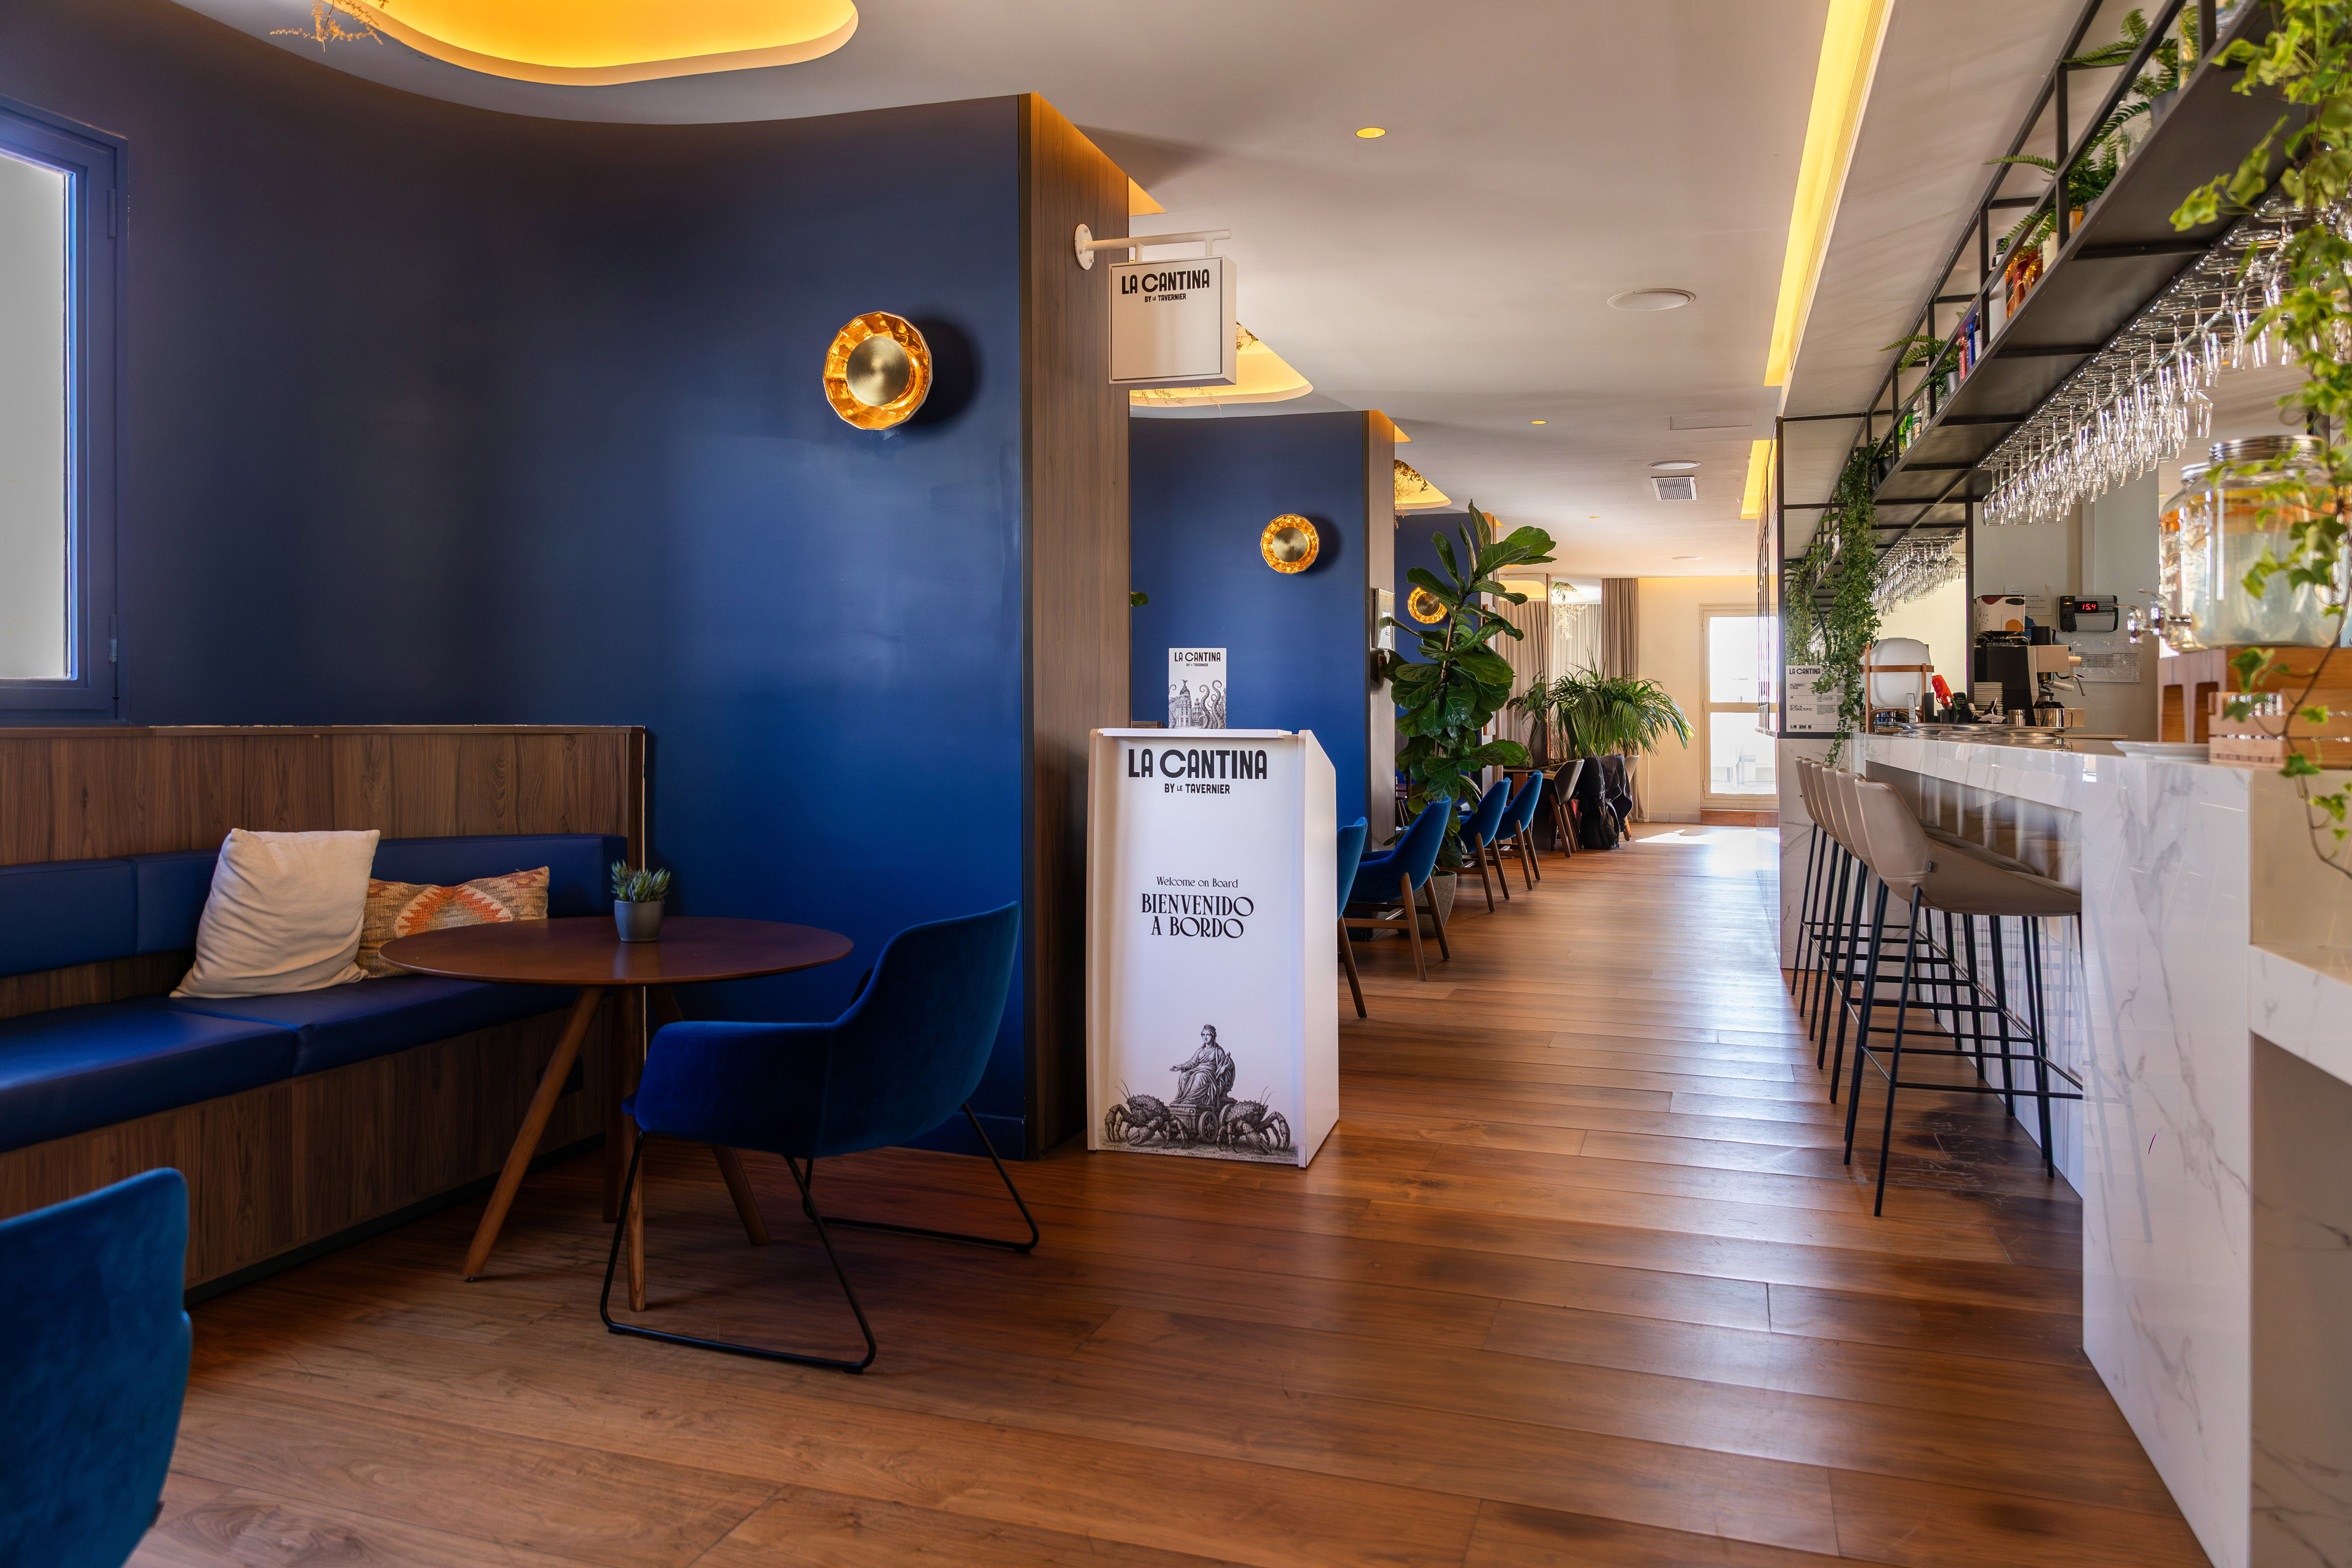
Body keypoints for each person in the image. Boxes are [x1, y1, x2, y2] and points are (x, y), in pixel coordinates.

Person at [1168, 1024, 1235, 1135]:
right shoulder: (1200, 1051)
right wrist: (1181, 1067)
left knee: (1200, 1077)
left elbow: (1228, 1063)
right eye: (1203, 1035)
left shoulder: (1218, 1051)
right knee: (1183, 1076)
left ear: (1214, 1036)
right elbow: (1192, 1063)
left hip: (1210, 1074)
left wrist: (1224, 1067)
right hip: (1198, 1070)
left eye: (1208, 1035)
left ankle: (1190, 1100)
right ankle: (1182, 1100)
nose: (1205, 1037)